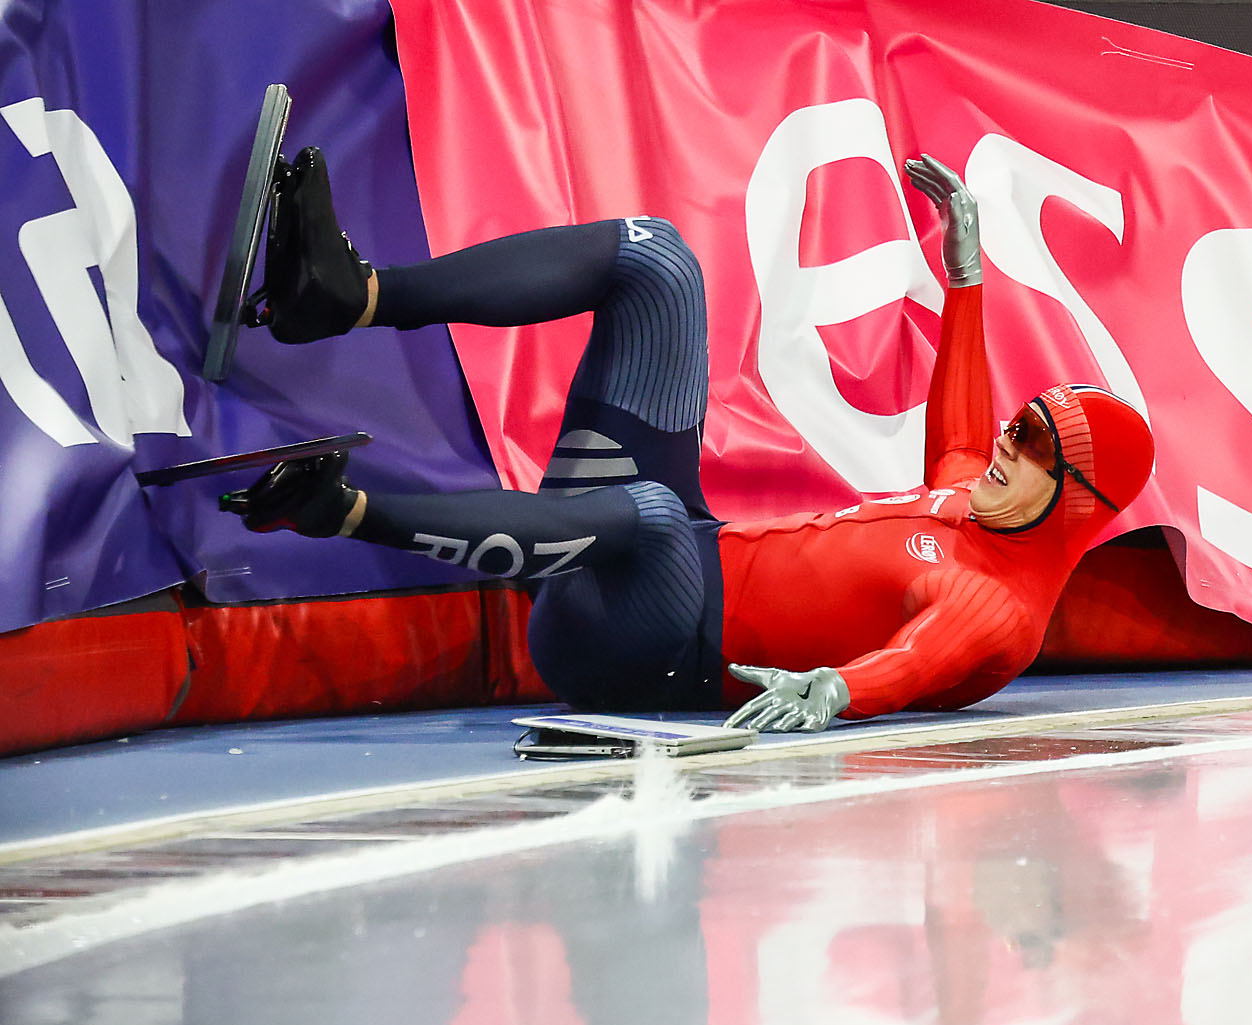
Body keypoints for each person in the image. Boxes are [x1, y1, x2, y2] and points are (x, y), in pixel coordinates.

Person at [223, 148, 1156, 732]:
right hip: (656, 554)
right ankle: (347, 295)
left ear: (1075, 499)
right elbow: (960, 425)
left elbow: (925, 656)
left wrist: (838, 690)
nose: (1005, 439)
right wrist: (965, 278)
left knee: (657, 515)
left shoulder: (998, 606)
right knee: (658, 261)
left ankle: (339, 510)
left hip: (651, 646)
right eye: (1021, 418)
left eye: (1033, 442)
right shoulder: (979, 494)